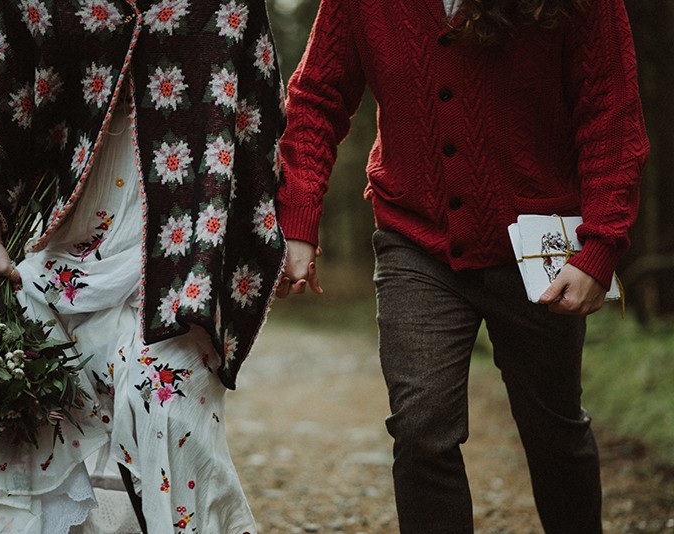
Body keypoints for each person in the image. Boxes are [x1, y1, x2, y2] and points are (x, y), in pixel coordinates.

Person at [275, 0, 649, 532]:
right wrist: (299, 219)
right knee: (421, 428)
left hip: (539, 246)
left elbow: (611, 109)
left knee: (554, 432)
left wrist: (601, 245)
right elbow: (317, 97)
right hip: (416, 238)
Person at [0, 0, 286, 532]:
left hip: (186, 258)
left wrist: (283, 231)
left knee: (168, 408)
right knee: (48, 419)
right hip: (67, 246)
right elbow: (0, 82)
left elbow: (259, 114)